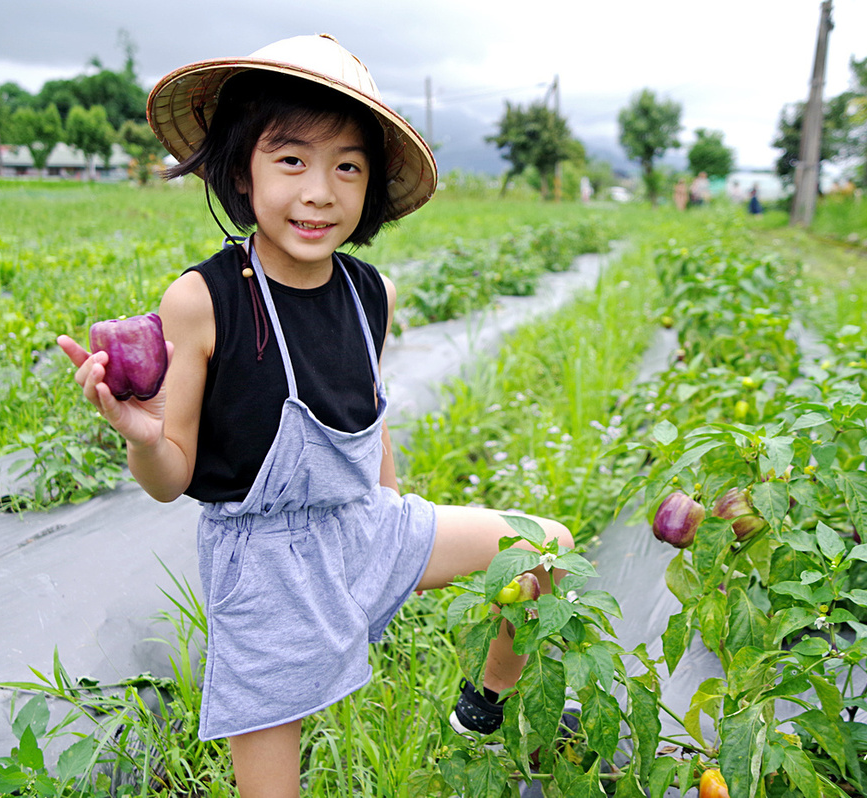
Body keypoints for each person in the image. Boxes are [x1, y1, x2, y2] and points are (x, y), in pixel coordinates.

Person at [55, 34, 572, 798]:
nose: (320, 191)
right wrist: (141, 437)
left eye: (347, 167)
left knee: (544, 550)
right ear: (242, 169)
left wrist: (398, 513)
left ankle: (481, 712)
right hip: (264, 567)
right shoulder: (202, 301)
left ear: (370, 187)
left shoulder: (372, 294)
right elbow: (173, 478)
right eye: (292, 160)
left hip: (363, 525)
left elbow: (368, 410)